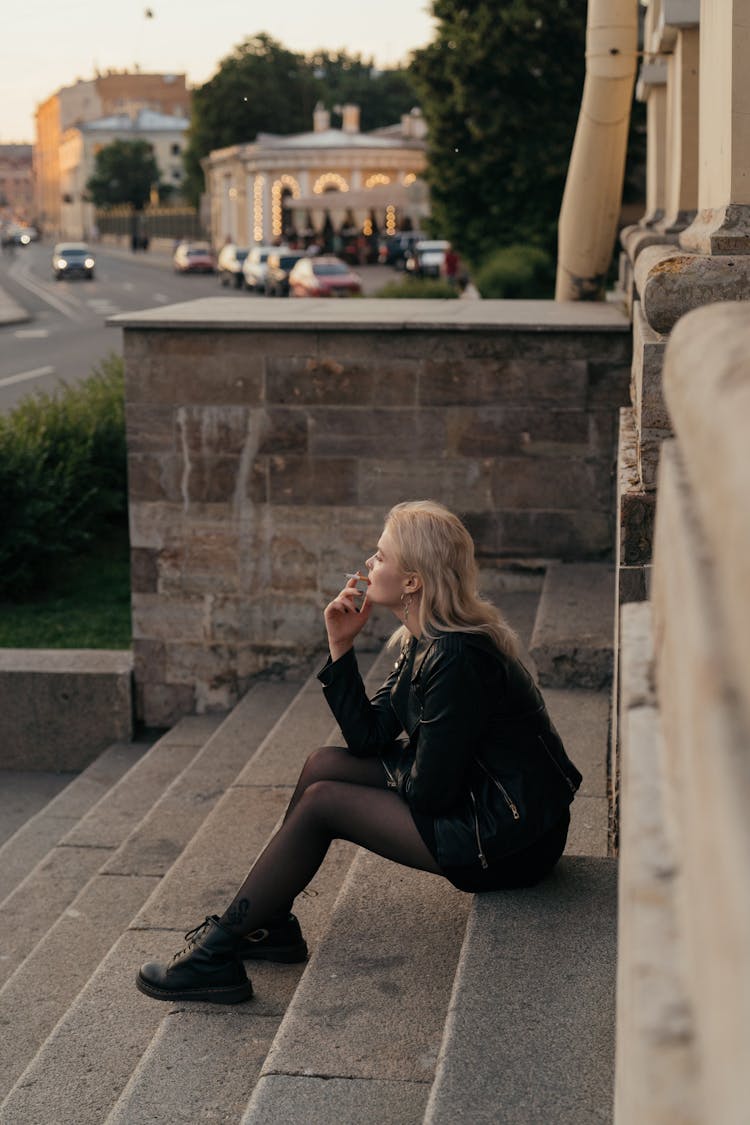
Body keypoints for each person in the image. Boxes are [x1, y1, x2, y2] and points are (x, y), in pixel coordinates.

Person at [136, 500, 582, 1005]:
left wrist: (387, 774)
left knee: (326, 801)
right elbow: (370, 738)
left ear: (412, 581)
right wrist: (340, 646)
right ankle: (270, 923)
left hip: (508, 838)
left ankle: (218, 953)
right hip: (483, 804)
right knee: (322, 763)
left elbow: (432, 794)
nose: (369, 564)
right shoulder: (426, 639)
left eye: (381, 555)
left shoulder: (456, 657)